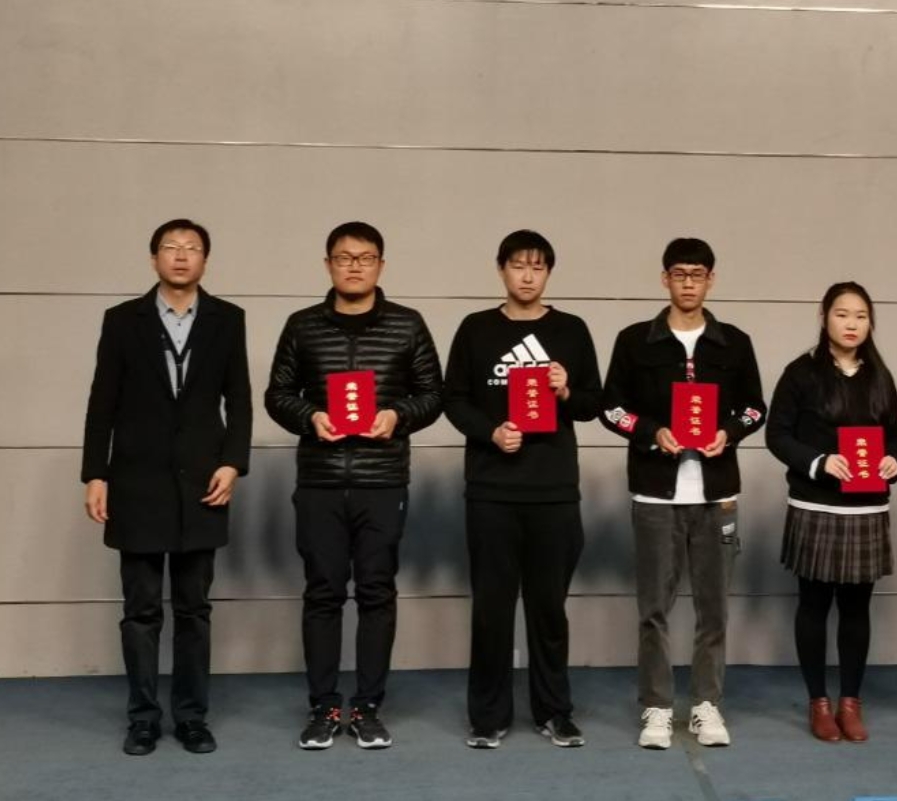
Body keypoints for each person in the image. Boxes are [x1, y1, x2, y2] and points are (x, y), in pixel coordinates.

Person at [264, 221, 443, 751]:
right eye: (344, 258)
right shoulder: (302, 326)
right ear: (328, 265)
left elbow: (433, 394)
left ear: (380, 265)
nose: (354, 266)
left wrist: (397, 415)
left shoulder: (408, 325)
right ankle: (323, 707)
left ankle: (366, 707)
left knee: (376, 592)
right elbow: (277, 393)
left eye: (365, 258)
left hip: (381, 481)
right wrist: (310, 417)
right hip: (319, 481)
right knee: (322, 593)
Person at [81, 218, 253, 756]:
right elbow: (102, 402)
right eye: (170, 247)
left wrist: (233, 463)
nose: (181, 255)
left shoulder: (228, 319)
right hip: (136, 482)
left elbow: (239, 399)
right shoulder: (122, 320)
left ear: (205, 259)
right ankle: (143, 719)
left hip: (203, 482)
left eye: (192, 248)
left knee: (194, 609)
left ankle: (192, 717)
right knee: (140, 611)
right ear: (154, 258)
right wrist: (95, 473)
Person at [599, 237, 766, 750]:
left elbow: (756, 407)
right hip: (656, 494)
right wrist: (652, 431)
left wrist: (728, 433)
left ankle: (706, 705)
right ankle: (655, 706)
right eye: (679, 274)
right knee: (653, 609)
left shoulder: (734, 342)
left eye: (697, 274)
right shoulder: (635, 341)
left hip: (717, 495)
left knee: (714, 609)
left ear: (711, 280)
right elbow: (611, 408)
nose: (688, 283)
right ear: (664, 279)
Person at [443, 230, 602, 750]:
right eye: (518, 265)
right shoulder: (476, 329)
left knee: (548, 609)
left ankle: (554, 711)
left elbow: (594, 404)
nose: (528, 276)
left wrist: (566, 389)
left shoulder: (571, 330)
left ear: (549, 273)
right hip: (491, 489)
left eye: (537, 267)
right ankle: (487, 716)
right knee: (491, 609)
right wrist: (490, 432)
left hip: (553, 489)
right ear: (501, 270)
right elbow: (453, 399)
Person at [766, 282, 897, 743]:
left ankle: (850, 702)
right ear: (824, 317)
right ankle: (819, 703)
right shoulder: (801, 372)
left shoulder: (879, 376)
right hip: (816, 503)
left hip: (867, 506)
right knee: (814, 604)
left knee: (856, 607)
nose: (851, 324)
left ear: (870, 323)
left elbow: (896, 434)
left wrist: (895, 459)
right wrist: (819, 462)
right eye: (842, 314)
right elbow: (777, 435)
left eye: (861, 316)